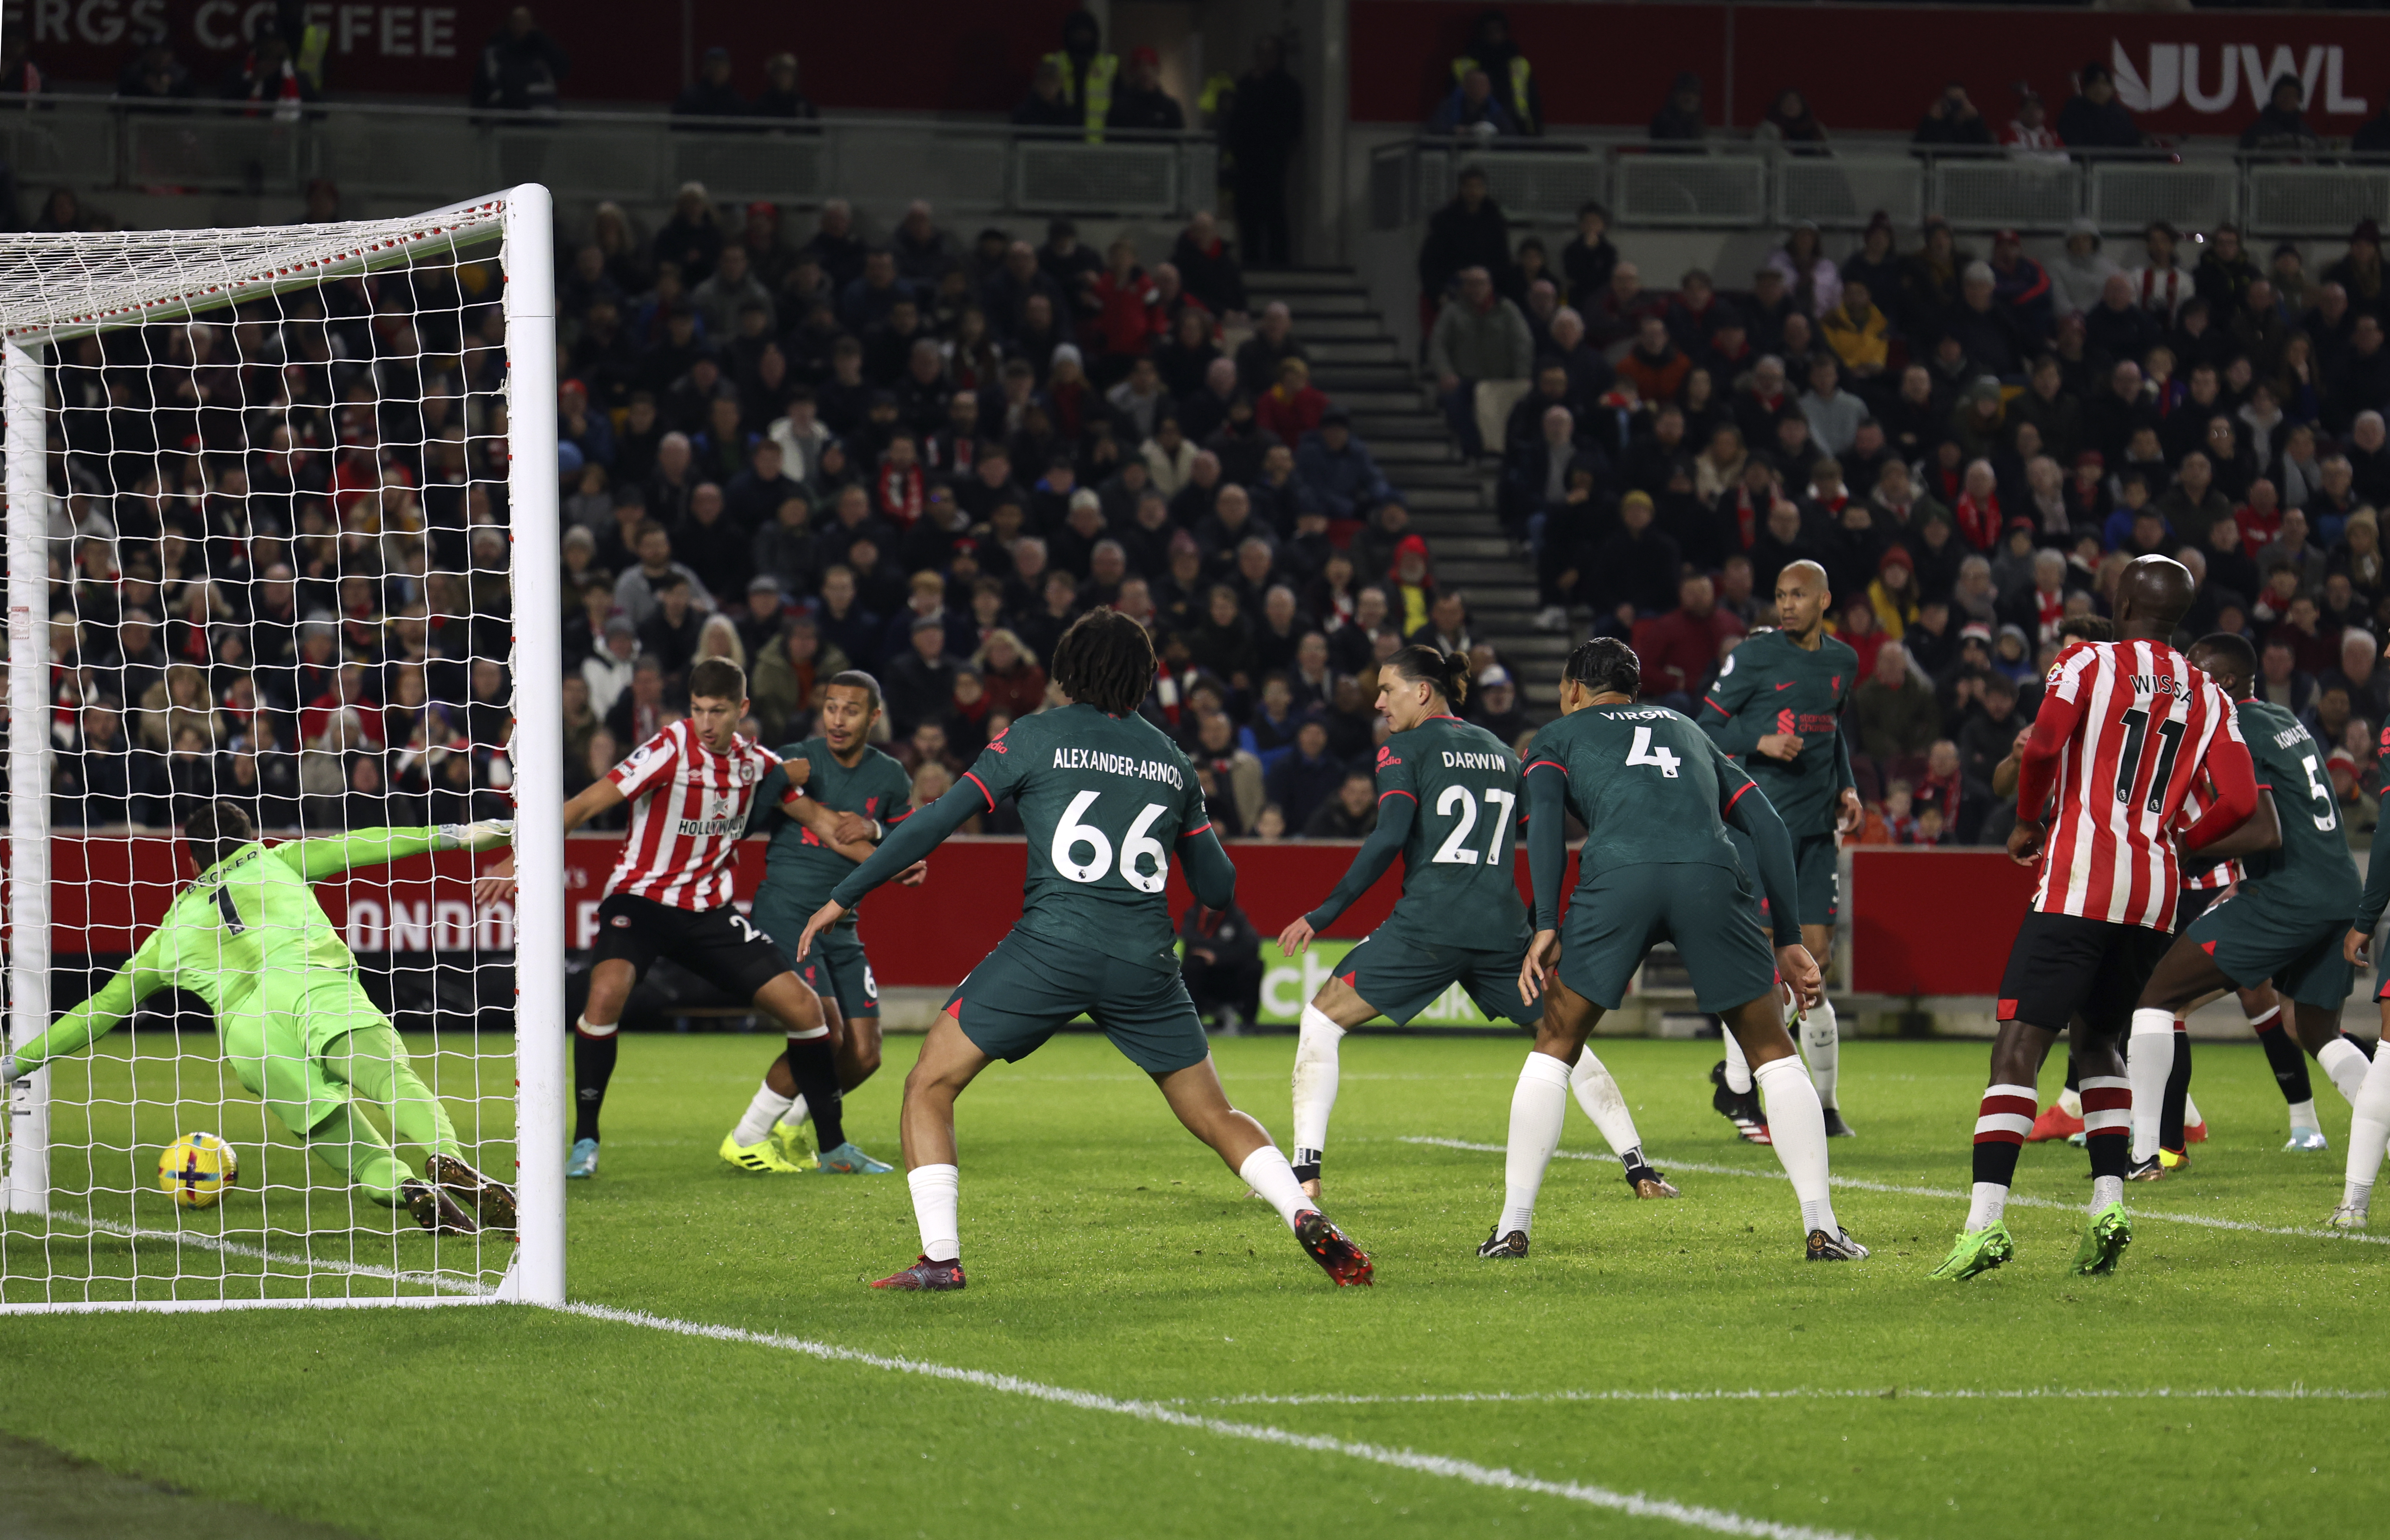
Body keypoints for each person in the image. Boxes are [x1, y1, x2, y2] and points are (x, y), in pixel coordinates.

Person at [792, 611, 1371, 1291]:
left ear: (1068, 669)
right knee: (1215, 1114)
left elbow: (936, 820)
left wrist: (845, 893)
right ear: (1142, 676)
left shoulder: (1033, 736)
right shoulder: (1169, 758)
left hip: (1051, 946)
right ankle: (1301, 1210)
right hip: (1146, 964)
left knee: (929, 1082)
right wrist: (1188, 817)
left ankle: (941, 1259)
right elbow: (1218, 885)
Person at [1932, 557, 2255, 1284]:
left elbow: (2042, 747)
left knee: (2017, 1045)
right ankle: (2107, 1205)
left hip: (2081, 877)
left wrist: (2023, 822)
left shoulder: (2085, 663)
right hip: (2155, 890)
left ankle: (1982, 1223)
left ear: (2118, 600)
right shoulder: (2208, 691)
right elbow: (2237, 801)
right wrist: (2174, 838)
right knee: (2098, 1043)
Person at [1492, 638, 1858, 1262]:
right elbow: (1767, 824)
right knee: (1771, 1049)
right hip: (1708, 876)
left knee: (1555, 1043)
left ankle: (1512, 1227)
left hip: (1618, 877)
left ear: (1574, 687)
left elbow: (1547, 824)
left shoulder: (1556, 735)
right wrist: (1791, 938)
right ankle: (1821, 1228)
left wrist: (1547, 921)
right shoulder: (1687, 728)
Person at [1273, 647, 1676, 1205]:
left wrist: (1321, 914)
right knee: (1564, 1038)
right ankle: (1641, 1171)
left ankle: (1304, 1175)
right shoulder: (1499, 751)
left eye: (1387, 689)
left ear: (1421, 692)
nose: (1377, 701)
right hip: (1501, 932)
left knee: (1320, 1020)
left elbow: (1388, 838)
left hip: (1428, 928)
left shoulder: (1402, 748)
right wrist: (1544, 922)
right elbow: (1541, 836)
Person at [0, 802, 517, 1234]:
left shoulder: (171, 930)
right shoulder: (280, 859)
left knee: (358, 1154)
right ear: (249, 837)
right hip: (310, 984)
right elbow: (370, 842)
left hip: (251, 1038)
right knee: (388, 1081)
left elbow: (99, 1011)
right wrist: (468, 834)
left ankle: (409, 1190)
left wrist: (16, 1062)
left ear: (193, 858)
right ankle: (447, 1159)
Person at [473, 657, 883, 1181]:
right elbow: (583, 803)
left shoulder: (755, 764)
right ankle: (586, 1140)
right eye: (698, 710)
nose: (706, 723)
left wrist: (891, 860)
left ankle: (833, 1148)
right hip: (640, 901)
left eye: (718, 711)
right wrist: (516, 857)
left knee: (807, 1013)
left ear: (742, 710)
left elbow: (826, 826)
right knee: (603, 997)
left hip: (708, 912)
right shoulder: (670, 747)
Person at [2119, 634, 2371, 1170]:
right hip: (2338, 888)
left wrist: (2187, 846)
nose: (2186, 680)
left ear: (2225, 681)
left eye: (2196, 671)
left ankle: (2145, 1152)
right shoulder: (2284, 720)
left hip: (2288, 894)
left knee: (2154, 999)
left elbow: (2263, 830)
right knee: (2313, 1028)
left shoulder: (2236, 727)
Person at [720, 671, 931, 1171]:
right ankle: (747, 1135)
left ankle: (793, 1128)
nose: (838, 719)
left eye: (851, 710)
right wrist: (775, 780)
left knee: (864, 1053)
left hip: (842, 921)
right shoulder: (798, 759)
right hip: (788, 911)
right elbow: (743, 821)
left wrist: (879, 829)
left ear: (874, 716)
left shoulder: (889, 777)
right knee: (825, 1031)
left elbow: (911, 837)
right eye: (831, 707)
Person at [1697, 561, 1863, 1140]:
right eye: (1778, 595)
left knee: (1816, 961)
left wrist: (1848, 786)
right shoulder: (1754, 657)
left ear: (1823, 599)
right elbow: (1703, 727)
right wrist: (1758, 740)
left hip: (1817, 829)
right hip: (1759, 827)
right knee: (1767, 962)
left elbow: (1834, 732)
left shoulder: (1844, 662)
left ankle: (1746, 1079)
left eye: (1797, 595)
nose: (1785, 604)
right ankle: (1747, 1086)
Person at [1226, 36, 1302, 268]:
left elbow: (1292, 125)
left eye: (1269, 54)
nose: (1263, 59)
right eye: (1260, 53)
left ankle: (1279, 260)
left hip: (1272, 158)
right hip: (1246, 159)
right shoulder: (1245, 85)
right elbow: (1234, 120)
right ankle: (1251, 258)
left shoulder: (1288, 87)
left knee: (1273, 208)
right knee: (1247, 210)